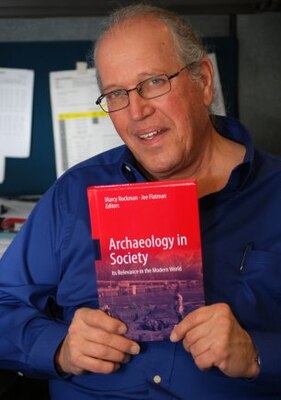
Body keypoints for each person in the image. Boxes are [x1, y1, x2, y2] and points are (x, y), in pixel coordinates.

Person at [0, 3, 281, 399]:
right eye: (116, 93)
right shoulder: (73, 195)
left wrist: (258, 354)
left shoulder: (275, 192)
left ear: (202, 81)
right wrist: (58, 346)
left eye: (152, 82)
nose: (137, 111)